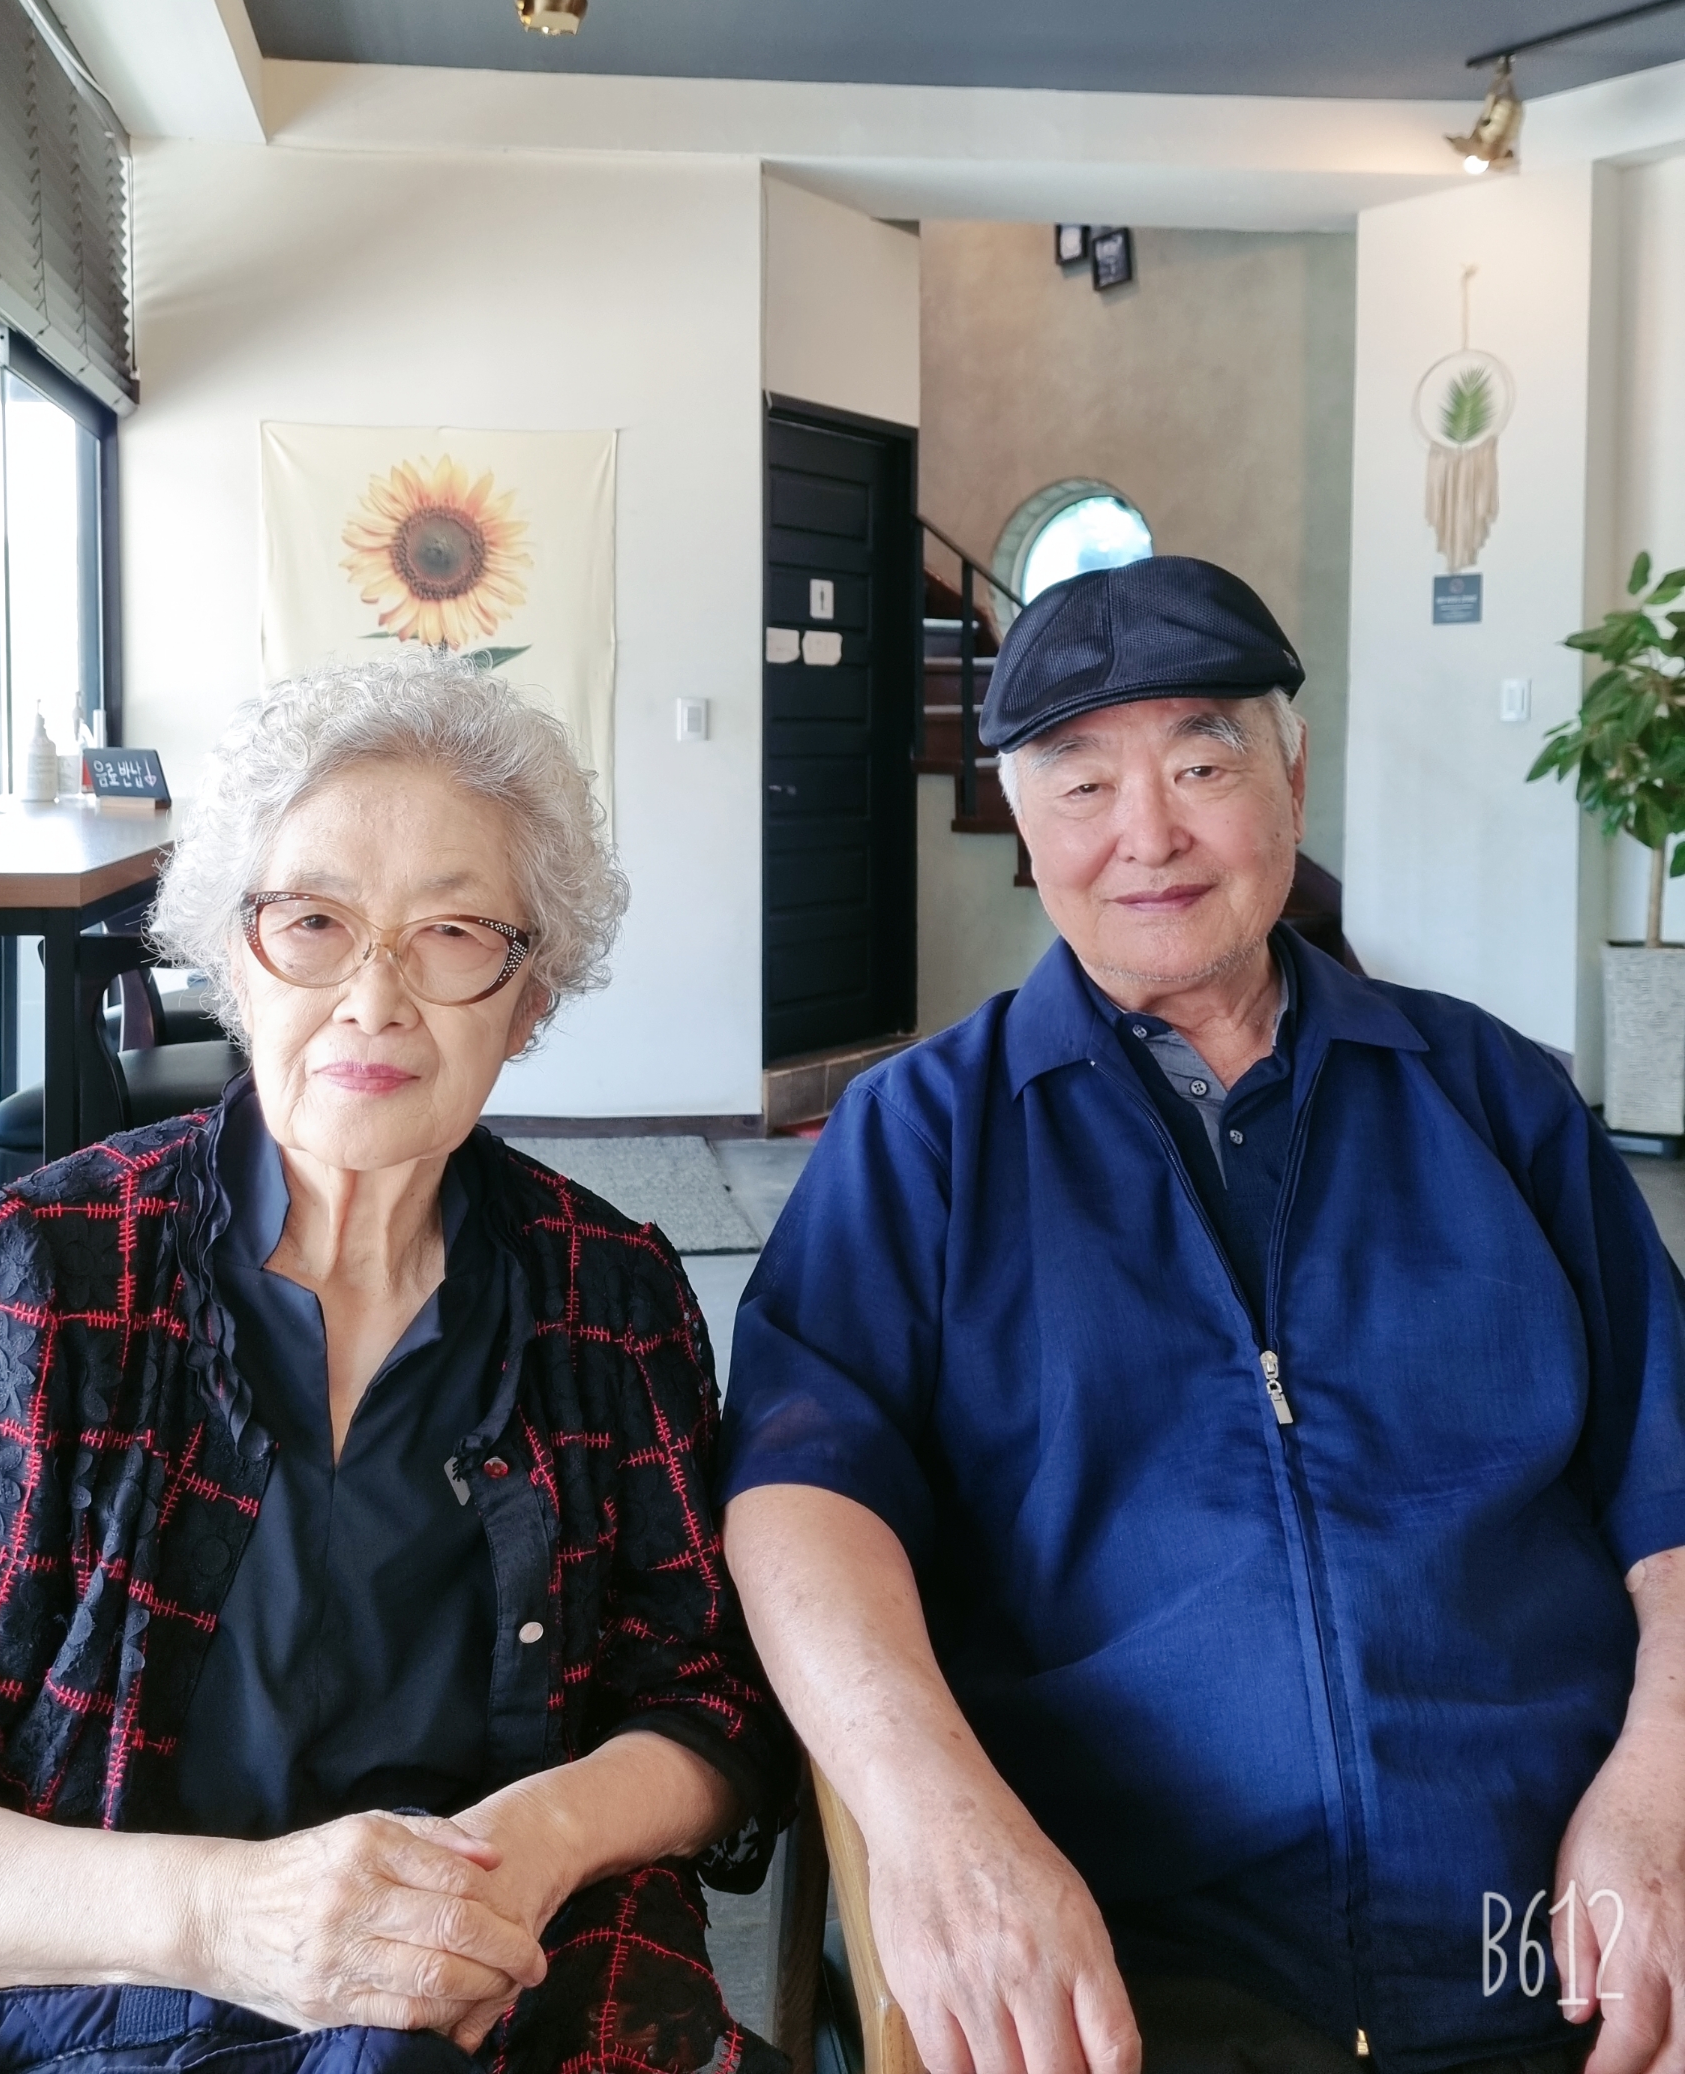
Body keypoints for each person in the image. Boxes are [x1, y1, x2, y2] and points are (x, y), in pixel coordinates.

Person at [719, 555, 1685, 2074]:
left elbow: (1670, 1484)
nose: (1148, 834)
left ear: (1291, 782)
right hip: (1131, 1943)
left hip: (1548, 1911)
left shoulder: (1495, 1096)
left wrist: (1664, 1788)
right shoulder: (923, 1136)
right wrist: (935, 1821)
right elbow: (801, 1487)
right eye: (1081, 783)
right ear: (1025, 828)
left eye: (1202, 764)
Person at [0, 654, 793, 2074]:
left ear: (530, 995)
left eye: (451, 933)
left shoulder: (608, 1295)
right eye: (313, 922)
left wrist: (533, 1845)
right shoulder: (41, 1275)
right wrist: (228, 1919)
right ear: (234, 959)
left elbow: (709, 1697)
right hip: (95, 2003)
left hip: (498, 1987)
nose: (375, 997)